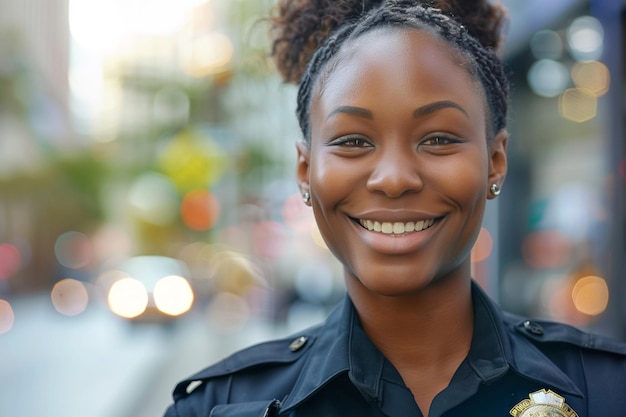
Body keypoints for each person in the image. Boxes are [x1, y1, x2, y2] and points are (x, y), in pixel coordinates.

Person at [163, 1, 626, 416]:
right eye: (353, 141)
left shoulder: (608, 393)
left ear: (495, 163)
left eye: (439, 139)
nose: (395, 178)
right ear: (305, 171)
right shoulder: (216, 407)